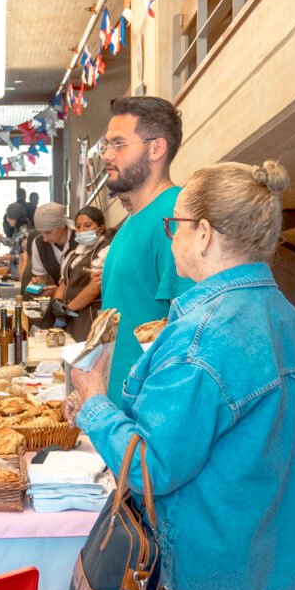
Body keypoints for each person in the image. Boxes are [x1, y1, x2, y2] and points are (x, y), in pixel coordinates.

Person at [69, 161, 295, 590]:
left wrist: (94, 399)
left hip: (217, 578)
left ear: (204, 233)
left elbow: (149, 471)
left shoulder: (200, 340)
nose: (171, 235)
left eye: (175, 224)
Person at [99, 96, 195, 405]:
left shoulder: (176, 216)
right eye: (106, 145)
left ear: (156, 149)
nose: (106, 155)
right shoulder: (132, 221)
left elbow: (190, 333)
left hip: (149, 415)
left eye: (119, 144)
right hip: (119, 410)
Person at [48, 206, 110, 342]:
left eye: (87, 226)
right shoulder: (74, 253)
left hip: (89, 316)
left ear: (100, 228)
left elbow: (95, 288)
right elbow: (65, 280)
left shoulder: (106, 251)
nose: (81, 231)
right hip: (69, 316)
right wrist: (57, 302)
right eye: (78, 226)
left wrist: (69, 308)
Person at [28, 202, 73, 292]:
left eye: (48, 232)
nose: (45, 239)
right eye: (41, 233)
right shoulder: (39, 243)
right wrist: (37, 285)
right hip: (60, 299)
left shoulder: (80, 239)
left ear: (62, 226)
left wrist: (59, 292)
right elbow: (41, 277)